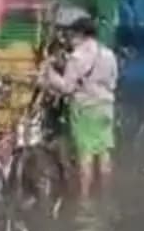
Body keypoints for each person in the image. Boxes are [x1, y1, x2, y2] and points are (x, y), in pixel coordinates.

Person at [39, 16, 119, 196]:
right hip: (106, 107)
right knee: (104, 152)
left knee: (86, 154)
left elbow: (66, 87)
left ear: (80, 35)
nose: (69, 39)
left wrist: (49, 73)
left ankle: (85, 199)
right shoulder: (108, 53)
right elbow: (113, 82)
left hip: (85, 109)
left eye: (71, 35)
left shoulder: (78, 56)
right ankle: (105, 194)